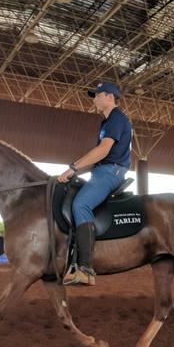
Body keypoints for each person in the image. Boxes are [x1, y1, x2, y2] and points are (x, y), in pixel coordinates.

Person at [57, 81, 133, 286]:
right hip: (101, 171)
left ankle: (85, 269)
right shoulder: (107, 122)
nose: (95, 99)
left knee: (81, 204)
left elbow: (103, 151)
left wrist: (73, 168)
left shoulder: (117, 118)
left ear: (110, 97)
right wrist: (76, 171)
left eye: (98, 95)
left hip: (110, 171)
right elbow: (97, 158)